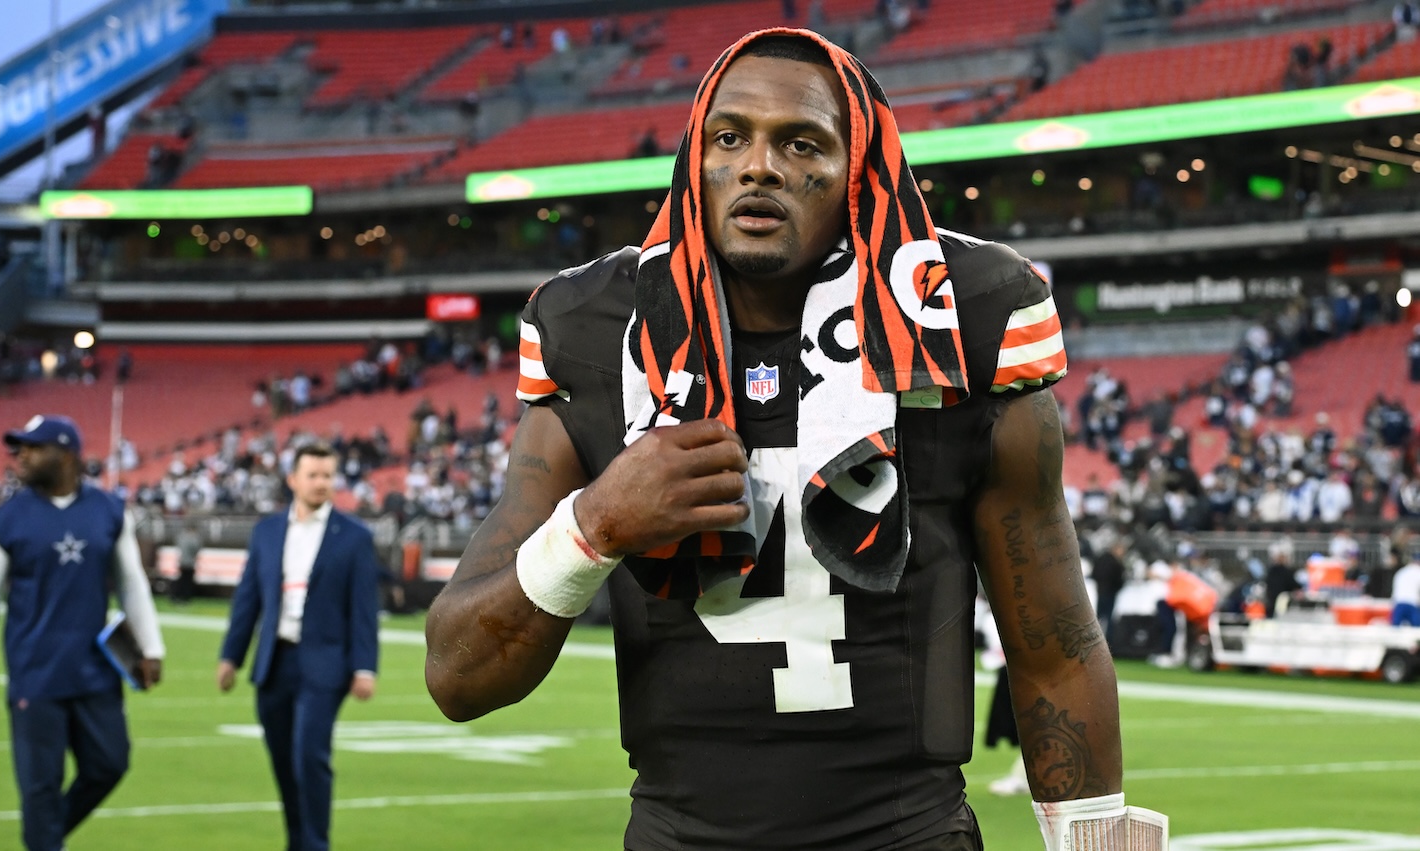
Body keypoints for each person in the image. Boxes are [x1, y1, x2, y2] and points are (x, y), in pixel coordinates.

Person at [426, 29, 1159, 850]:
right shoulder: (597, 333)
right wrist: (590, 526)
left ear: (860, 170)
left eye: (801, 141)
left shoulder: (961, 321)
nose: (758, 165)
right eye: (729, 136)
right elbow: (457, 677)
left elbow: (1054, 647)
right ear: (693, 160)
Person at [0, 414, 165, 851]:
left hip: (95, 672)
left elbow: (131, 583)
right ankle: (45, 840)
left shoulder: (109, 511)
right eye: (19, 448)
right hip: (35, 675)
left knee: (110, 763)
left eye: (33, 448)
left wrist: (151, 647)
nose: (21, 457)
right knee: (40, 789)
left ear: (67, 453)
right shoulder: (5, 520)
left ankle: (45, 839)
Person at [217, 442, 381, 851]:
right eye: (313, 475)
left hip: (324, 666)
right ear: (293, 480)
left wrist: (365, 667)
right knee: (283, 764)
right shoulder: (267, 532)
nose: (321, 482)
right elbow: (248, 598)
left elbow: (364, 608)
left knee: (310, 758)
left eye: (328, 475)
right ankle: (298, 842)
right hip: (274, 664)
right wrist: (231, 657)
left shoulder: (355, 537)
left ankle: (315, 844)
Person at [1391, 554, 1420, 626]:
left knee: (1395, 630)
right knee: (1416, 630)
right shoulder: (1418, 572)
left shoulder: (1401, 571)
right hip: (1412, 604)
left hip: (1398, 603)